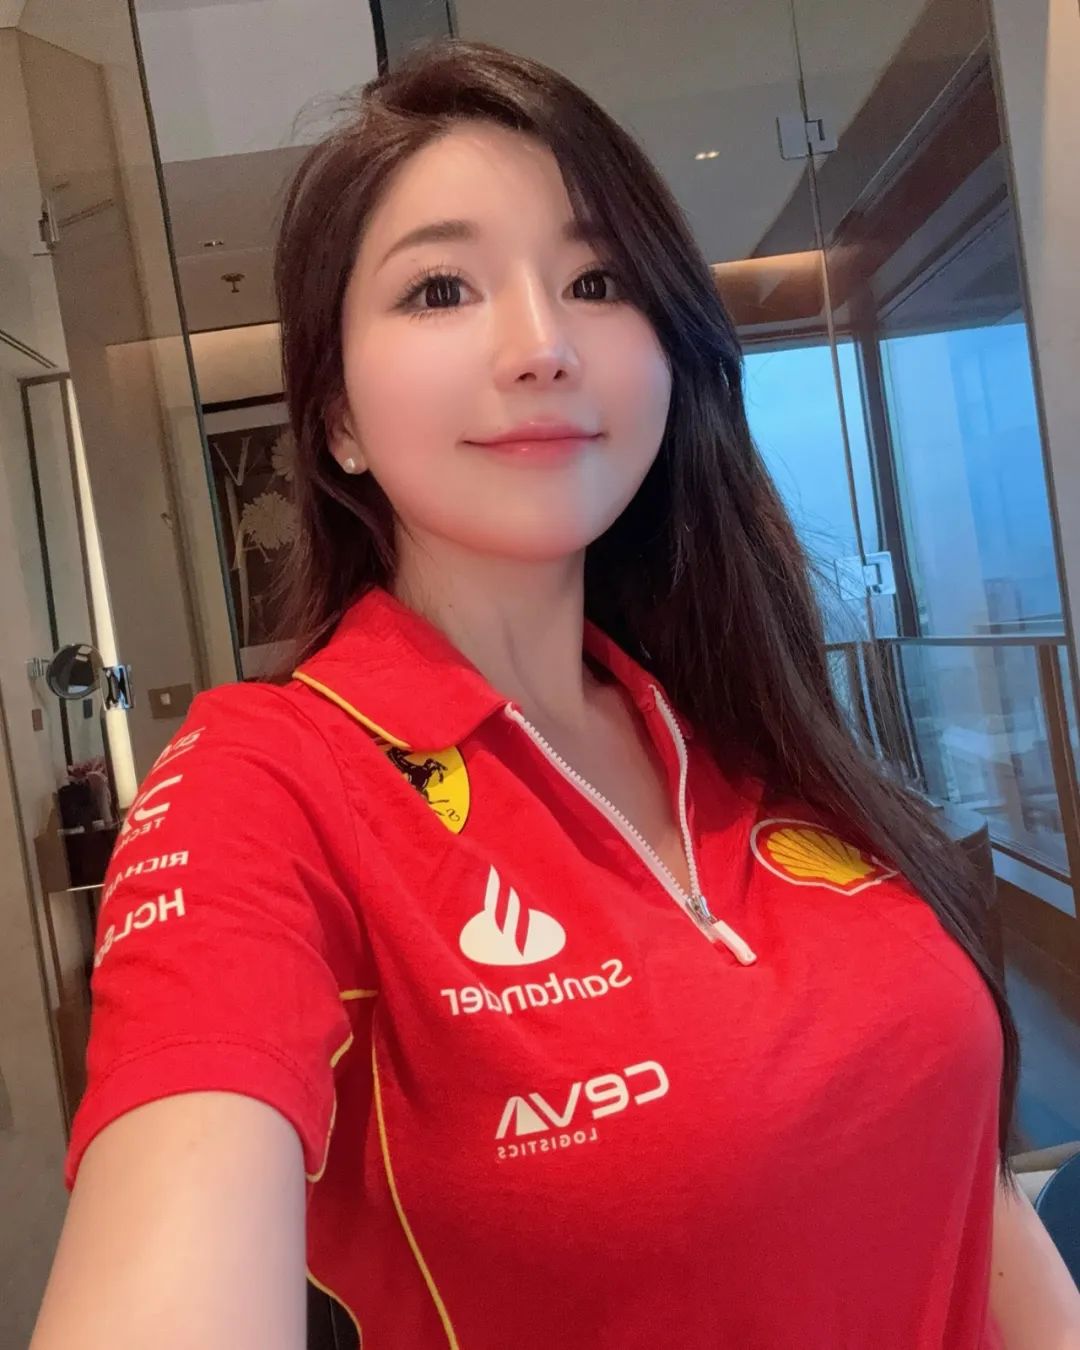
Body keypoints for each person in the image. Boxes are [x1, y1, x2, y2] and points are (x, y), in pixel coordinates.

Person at [30, 39, 1080, 1350]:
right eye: (440, 289)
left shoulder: (746, 725)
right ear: (338, 419)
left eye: (596, 281)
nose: (541, 345)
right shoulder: (268, 780)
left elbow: (970, 1198)